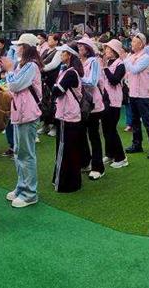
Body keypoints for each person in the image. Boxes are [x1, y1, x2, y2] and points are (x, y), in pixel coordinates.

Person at [2, 33, 43, 207]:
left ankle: (29, 193)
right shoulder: (24, 65)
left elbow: (15, 85)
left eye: (19, 45)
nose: (16, 48)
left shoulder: (31, 66)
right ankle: (22, 187)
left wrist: (9, 70)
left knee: (26, 154)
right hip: (21, 113)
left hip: (27, 114)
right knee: (20, 152)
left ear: (25, 48)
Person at [51, 44, 86, 193]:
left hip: (67, 115)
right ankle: (72, 182)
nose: (60, 55)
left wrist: (54, 85)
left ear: (69, 55)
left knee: (64, 148)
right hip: (71, 114)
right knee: (70, 149)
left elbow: (57, 90)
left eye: (63, 53)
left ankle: (64, 183)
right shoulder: (70, 71)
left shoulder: (70, 73)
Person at [123, 34, 149, 159]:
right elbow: (128, 71)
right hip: (133, 93)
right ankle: (137, 144)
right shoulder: (132, 56)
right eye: (132, 41)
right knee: (135, 121)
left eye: (134, 42)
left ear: (141, 44)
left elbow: (134, 69)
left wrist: (125, 60)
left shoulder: (145, 57)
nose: (132, 44)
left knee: (147, 121)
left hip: (142, 94)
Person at [77, 37, 106, 180]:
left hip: (93, 104)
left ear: (88, 49)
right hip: (80, 104)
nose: (79, 48)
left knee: (93, 135)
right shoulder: (78, 62)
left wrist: (75, 79)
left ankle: (98, 167)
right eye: (78, 46)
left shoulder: (94, 62)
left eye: (81, 46)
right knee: (81, 134)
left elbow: (92, 82)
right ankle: (85, 162)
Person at [98, 39, 128, 168]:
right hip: (104, 99)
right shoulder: (107, 63)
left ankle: (121, 158)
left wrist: (105, 68)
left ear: (115, 51)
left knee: (111, 129)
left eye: (108, 49)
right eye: (106, 49)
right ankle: (110, 154)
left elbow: (114, 80)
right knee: (105, 129)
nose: (106, 51)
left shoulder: (120, 64)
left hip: (114, 100)